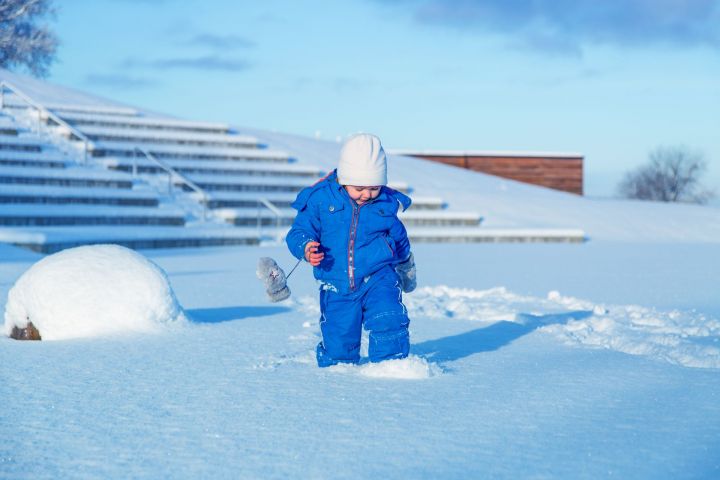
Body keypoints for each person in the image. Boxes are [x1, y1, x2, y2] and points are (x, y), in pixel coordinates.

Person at [286, 133, 417, 367]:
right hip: (337, 281)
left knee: (389, 317)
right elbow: (298, 231)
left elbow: (399, 237)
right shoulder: (320, 200)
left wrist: (405, 264)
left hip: (379, 276)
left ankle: (393, 366)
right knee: (339, 340)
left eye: (374, 188)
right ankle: (339, 373)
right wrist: (306, 247)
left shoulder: (385, 204)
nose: (367, 194)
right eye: (359, 188)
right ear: (344, 178)